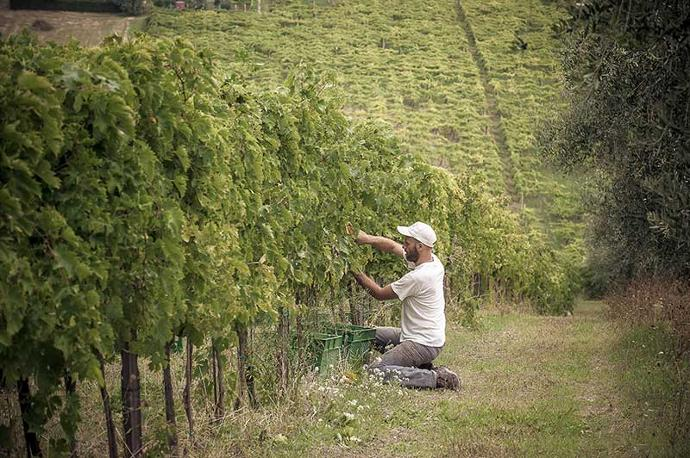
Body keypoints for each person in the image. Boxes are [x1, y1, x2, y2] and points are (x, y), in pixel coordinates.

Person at [348, 221, 460, 391]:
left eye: (407, 243)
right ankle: (422, 367)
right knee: (367, 335)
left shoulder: (419, 277)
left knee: (375, 371)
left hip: (423, 343)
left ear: (420, 246)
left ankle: (436, 378)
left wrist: (354, 268)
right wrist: (366, 239)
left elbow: (379, 294)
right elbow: (393, 247)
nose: (404, 246)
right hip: (421, 337)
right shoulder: (433, 261)